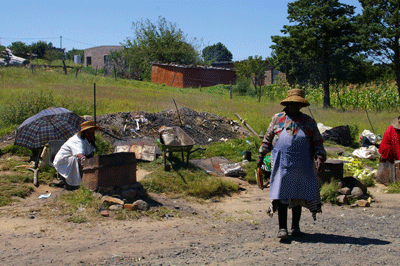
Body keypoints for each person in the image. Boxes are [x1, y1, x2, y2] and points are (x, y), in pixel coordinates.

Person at [257, 88, 326, 240]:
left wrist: (320, 157)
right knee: (282, 194)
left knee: (298, 195)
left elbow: (317, 142)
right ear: (287, 104)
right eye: (292, 104)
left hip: (302, 165)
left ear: (301, 105)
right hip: (282, 164)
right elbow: (267, 138)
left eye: (297, 104)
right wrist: (261, 155)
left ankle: (295, 227)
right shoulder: (277, 118)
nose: (294, 107)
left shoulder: (308, 122)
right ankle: (282, 228)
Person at [53, 120, 101, 189]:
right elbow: (80, 156)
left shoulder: (90, 140)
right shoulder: (77, 140)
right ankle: (81, 181)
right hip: (64, 162)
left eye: (92, 131)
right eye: (89, 131)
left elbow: (91, 153)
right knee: (79, 159)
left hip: (74, 159)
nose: (91, 133)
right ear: (85, 132)